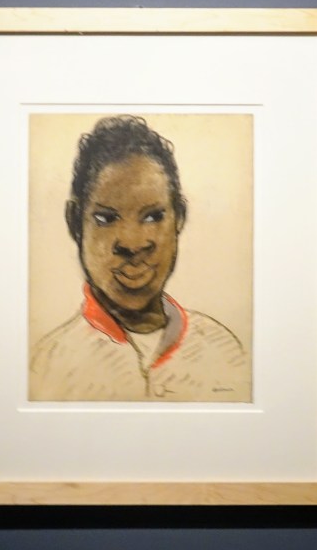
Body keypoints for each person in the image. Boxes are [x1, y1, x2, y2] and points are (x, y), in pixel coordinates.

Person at [29, 115, 250, 402]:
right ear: (75, 221)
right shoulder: (48, 365)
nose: (132, 243)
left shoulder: (224, 352)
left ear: (179, 217)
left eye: (153, 217)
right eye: (106, 219)